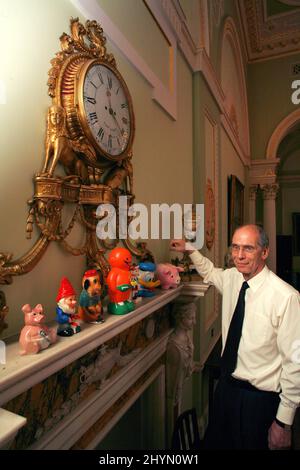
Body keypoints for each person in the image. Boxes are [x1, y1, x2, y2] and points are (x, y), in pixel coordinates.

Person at [170, 224, 300, 450]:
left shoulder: (286, 297)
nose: (240, 256)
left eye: (248, 248)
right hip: (225, 390)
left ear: (265, 252)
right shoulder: (232, 278)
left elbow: (295, 363)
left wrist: (283, 422)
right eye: (235, 247)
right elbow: (210, 272)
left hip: (259, 401)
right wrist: (190, 249)